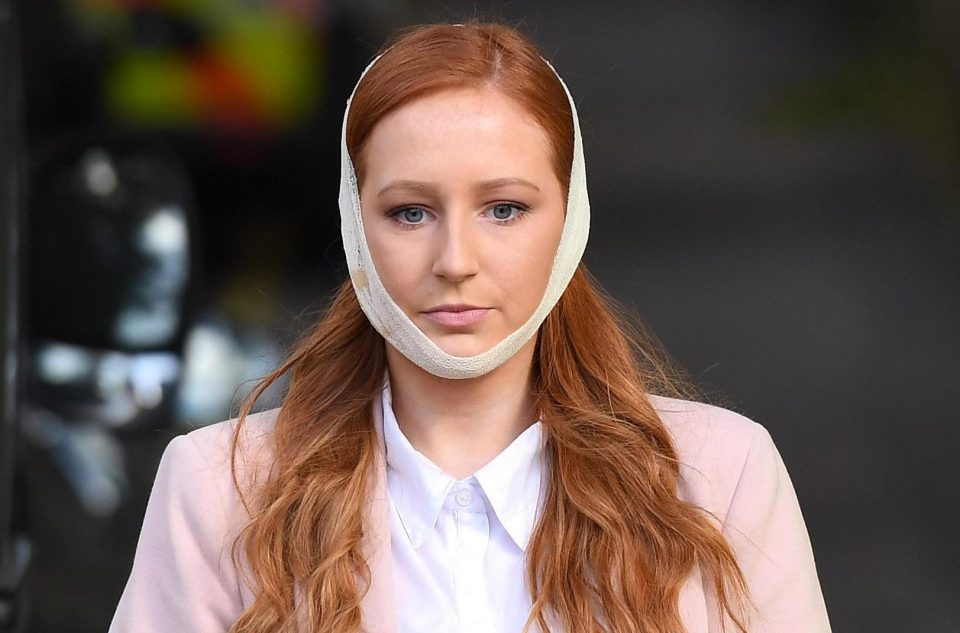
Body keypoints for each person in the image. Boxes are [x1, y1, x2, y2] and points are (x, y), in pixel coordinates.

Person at [110, 22, 831, 633]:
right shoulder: (217, 491)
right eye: (410, 212)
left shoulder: (721, 478)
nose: (455, 261)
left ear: (570, 217)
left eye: (505, 209)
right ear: (352, 222)